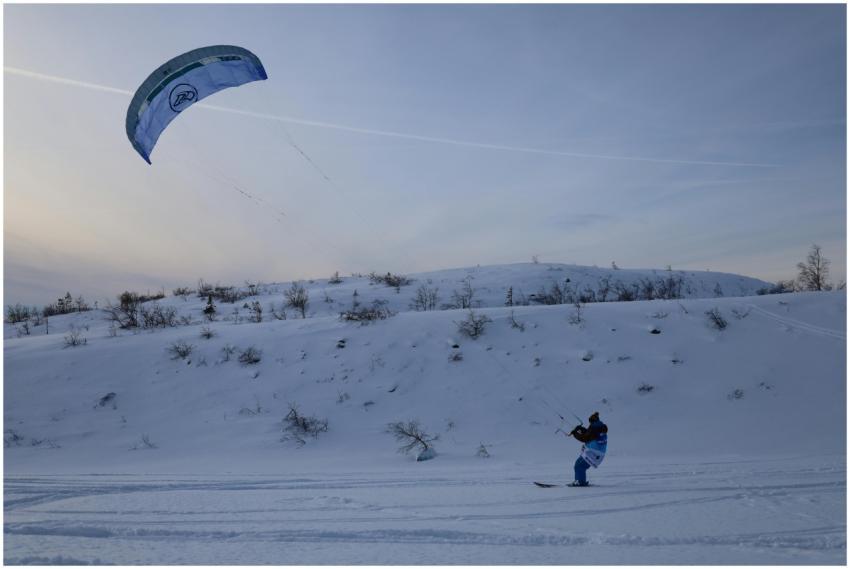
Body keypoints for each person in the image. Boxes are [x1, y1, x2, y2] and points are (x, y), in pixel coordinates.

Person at [568, 411, 608, 486]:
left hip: (592, 452)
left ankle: (580, 482)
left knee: (579, 465)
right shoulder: (600, 427)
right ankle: (581, 482)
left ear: (592, 421)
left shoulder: (594, 428)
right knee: (581, 466)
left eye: (590, 422)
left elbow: (584, 438)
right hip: (598, 454)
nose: (589, 424)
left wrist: (575, 433)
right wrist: (580, 429)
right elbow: (588, 433)